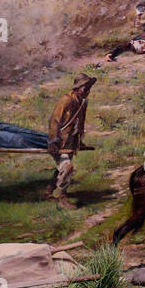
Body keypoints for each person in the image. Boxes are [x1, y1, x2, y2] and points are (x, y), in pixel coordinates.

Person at [46, 74, 95, 208]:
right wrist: (53, 142)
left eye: (89, 88)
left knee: (62, 166)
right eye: (85, 88)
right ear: (77, 88)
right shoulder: (66, 100)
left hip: (71, 141)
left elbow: (81, 122)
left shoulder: (83, 102)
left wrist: (79, 141)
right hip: (59, 141)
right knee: (67, 167)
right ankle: (63, 198)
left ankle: (49, 191)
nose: (88, 91)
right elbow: (54, 121)